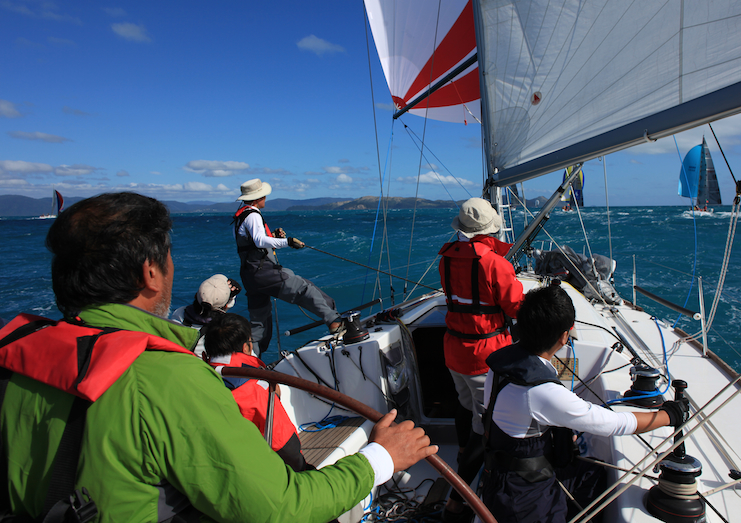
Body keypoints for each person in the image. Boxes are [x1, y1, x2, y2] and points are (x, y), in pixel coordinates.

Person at [0, 192, 437, 523]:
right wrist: (381, 457)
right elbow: (280, 508)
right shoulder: (167, 379)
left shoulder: (13, 357)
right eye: (167, 256)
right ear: (150, 272)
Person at [482, 284, 689, 523]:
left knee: (591, 474)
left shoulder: (502, 365)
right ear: (564, 336)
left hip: (501, 477)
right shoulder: (541, 392)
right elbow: (613, 424)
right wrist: (668, 415)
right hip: (524, 499)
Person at [437, 197, 525, 521]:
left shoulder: (445, 260)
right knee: (484, 424)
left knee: (464, 404)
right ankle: (455, 501)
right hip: (484, 356)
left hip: (453, 350)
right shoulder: (495, 264)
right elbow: (516, 307)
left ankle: (461, 451)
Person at [233, 178, 342, 355]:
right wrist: (287, 242)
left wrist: (273, 237)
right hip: (263, 272)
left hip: (250, 275)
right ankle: (334, 321)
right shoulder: (253, 215)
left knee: (259, 323)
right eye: (264, 196)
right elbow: (259, 241)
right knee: (303, 288)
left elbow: (252, 245)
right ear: (257, 198)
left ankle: (251, 360)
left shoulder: (241, 216)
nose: (265, 198)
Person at [203, 312, 309, 472]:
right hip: (256, 469)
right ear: (246, 347)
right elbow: (283, 442)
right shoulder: (256, 386)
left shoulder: (197, 378)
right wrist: (301, 467)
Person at [170, 273, 242, 356]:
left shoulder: (179, 313)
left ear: (196, 295)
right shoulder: (224, 334)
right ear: (226, 306)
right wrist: (231, 298)